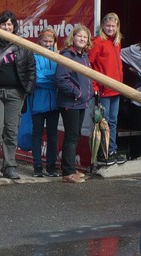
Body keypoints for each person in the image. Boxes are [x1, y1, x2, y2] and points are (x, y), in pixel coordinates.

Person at [0, 10, 36, 179]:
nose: (7, 27)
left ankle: (9, 165)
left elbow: (31, 69)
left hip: (15, 93)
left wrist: (27, 90)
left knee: (11, 131)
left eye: (10, 24)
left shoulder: (23, 45)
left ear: (14, 26)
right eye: (4, 24)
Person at [55, 24, 94, 184]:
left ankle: (70, 167)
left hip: (80, 103)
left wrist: (88, 93)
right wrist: (78, 93)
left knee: (75, 135)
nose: (82, 39)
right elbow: (61, 79)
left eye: (85, 37)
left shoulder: (83, 56)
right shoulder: (67, 55)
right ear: (73, 37)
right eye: (79, 36)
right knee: (71, 136)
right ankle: (68, 173)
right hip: (70, 103)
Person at [89, 12, 124, 166]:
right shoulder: (97, 42)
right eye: (108, 26)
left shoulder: (116, 42)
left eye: (113, 26)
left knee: (113, 121)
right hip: (103, 91)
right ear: (102, 26)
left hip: (116, 90)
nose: (110, 28)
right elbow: (88, 65)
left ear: (117, 27)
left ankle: (112, 150)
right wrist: (95, 86)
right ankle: (104, 153)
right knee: (104, 122)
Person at [27, 27, 60, 178]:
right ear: (39, 41)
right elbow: (37, 79)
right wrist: (53, 79)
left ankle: (51, 167)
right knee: (37, 136)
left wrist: (51, 78)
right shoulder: (34, 55)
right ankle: (37, 166)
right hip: (38, 103)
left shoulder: (58, 56)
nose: (47, 44)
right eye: (45, 41)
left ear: (54, 42)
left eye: (50, 41)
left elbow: (61, 78)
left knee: (53, 136)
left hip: (54, 104)